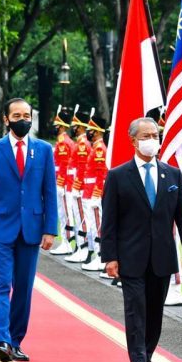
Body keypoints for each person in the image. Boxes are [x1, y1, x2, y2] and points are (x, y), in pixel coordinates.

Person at [101, 117, 182, 362]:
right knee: (135, 309)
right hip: (131, 257)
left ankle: (149, 356)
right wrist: (109, 257)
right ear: (133, 140)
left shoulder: (173, 175)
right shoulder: (118, 176)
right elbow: (109, 221)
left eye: (155, 135)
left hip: (162, 256)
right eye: (145, 136)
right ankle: (138, 361)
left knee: (155, 310)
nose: (151, 140)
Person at [0, 97, 57, 362]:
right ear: (6, 119)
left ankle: (16, 341)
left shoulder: (44, 150)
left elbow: (50, 193)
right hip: (0, 228)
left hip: (31, 230)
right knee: (0, 285)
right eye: (17, 115)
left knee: (23, 287)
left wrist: (50, 229)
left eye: (27, 116)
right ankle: (2, 340)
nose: (23, 120)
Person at [81, 116, 109, 272]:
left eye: (91, 130)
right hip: (89, 191)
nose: (88, 132)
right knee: (92, 225)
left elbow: (101, 174)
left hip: (94, 193)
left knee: (98, 226)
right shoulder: (95, 147)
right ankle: (98, 255)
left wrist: (97, 194)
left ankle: (101, 257)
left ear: (97, 131)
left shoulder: (99, 149)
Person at [65, 110, 93, 264]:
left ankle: (84, 248)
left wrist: (76, 186)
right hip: (76, 186)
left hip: (81, 188)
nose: (73, 128)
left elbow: (81, 168)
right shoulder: (79, 143)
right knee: (78, 217)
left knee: (82, 218)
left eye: (76, 126)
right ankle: (80, 247)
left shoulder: (82, 144)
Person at [50, 107, 76, 256]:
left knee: (65, 213)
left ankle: (67, 243)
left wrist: (60, 183)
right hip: (61, 183)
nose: (54, 128)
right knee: (62, 213)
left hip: (64, 184)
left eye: (55, 126)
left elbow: (65, 166)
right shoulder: (61, 142)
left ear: (61, 127)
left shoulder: (64, 143)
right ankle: (65, 242)